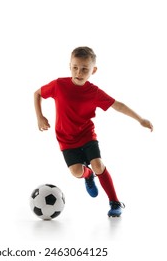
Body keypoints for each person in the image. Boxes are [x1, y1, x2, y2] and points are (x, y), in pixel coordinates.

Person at [34, 46, 153, 217]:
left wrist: (140, 119)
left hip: (86, 135)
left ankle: (115, 202)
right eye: (75, 67)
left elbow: (117, 105)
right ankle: (88, 175)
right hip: (66, 139)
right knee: (76, 172)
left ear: (93, 70)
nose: (79, 72)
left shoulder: (94, 92)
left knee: (98, 164)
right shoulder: (59, 85)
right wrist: (40, 117)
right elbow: (36, 94)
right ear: (69, 66)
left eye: (84, 69)